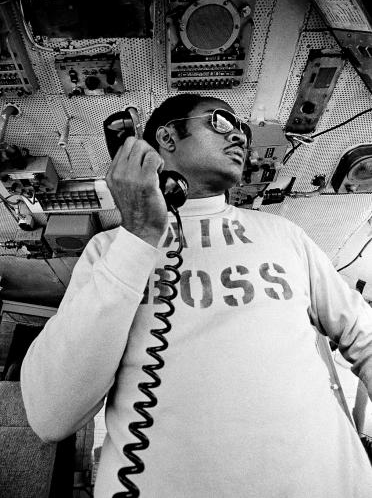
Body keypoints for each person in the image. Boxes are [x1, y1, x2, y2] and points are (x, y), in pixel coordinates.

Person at [21, 93, 372, 497]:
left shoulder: (285, 234)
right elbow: (51, 416)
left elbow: (363, 337)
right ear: (166, 139)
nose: (240, 135)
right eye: (221, 121)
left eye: (242, 127)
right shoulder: (109, 249)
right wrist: (140, 235)